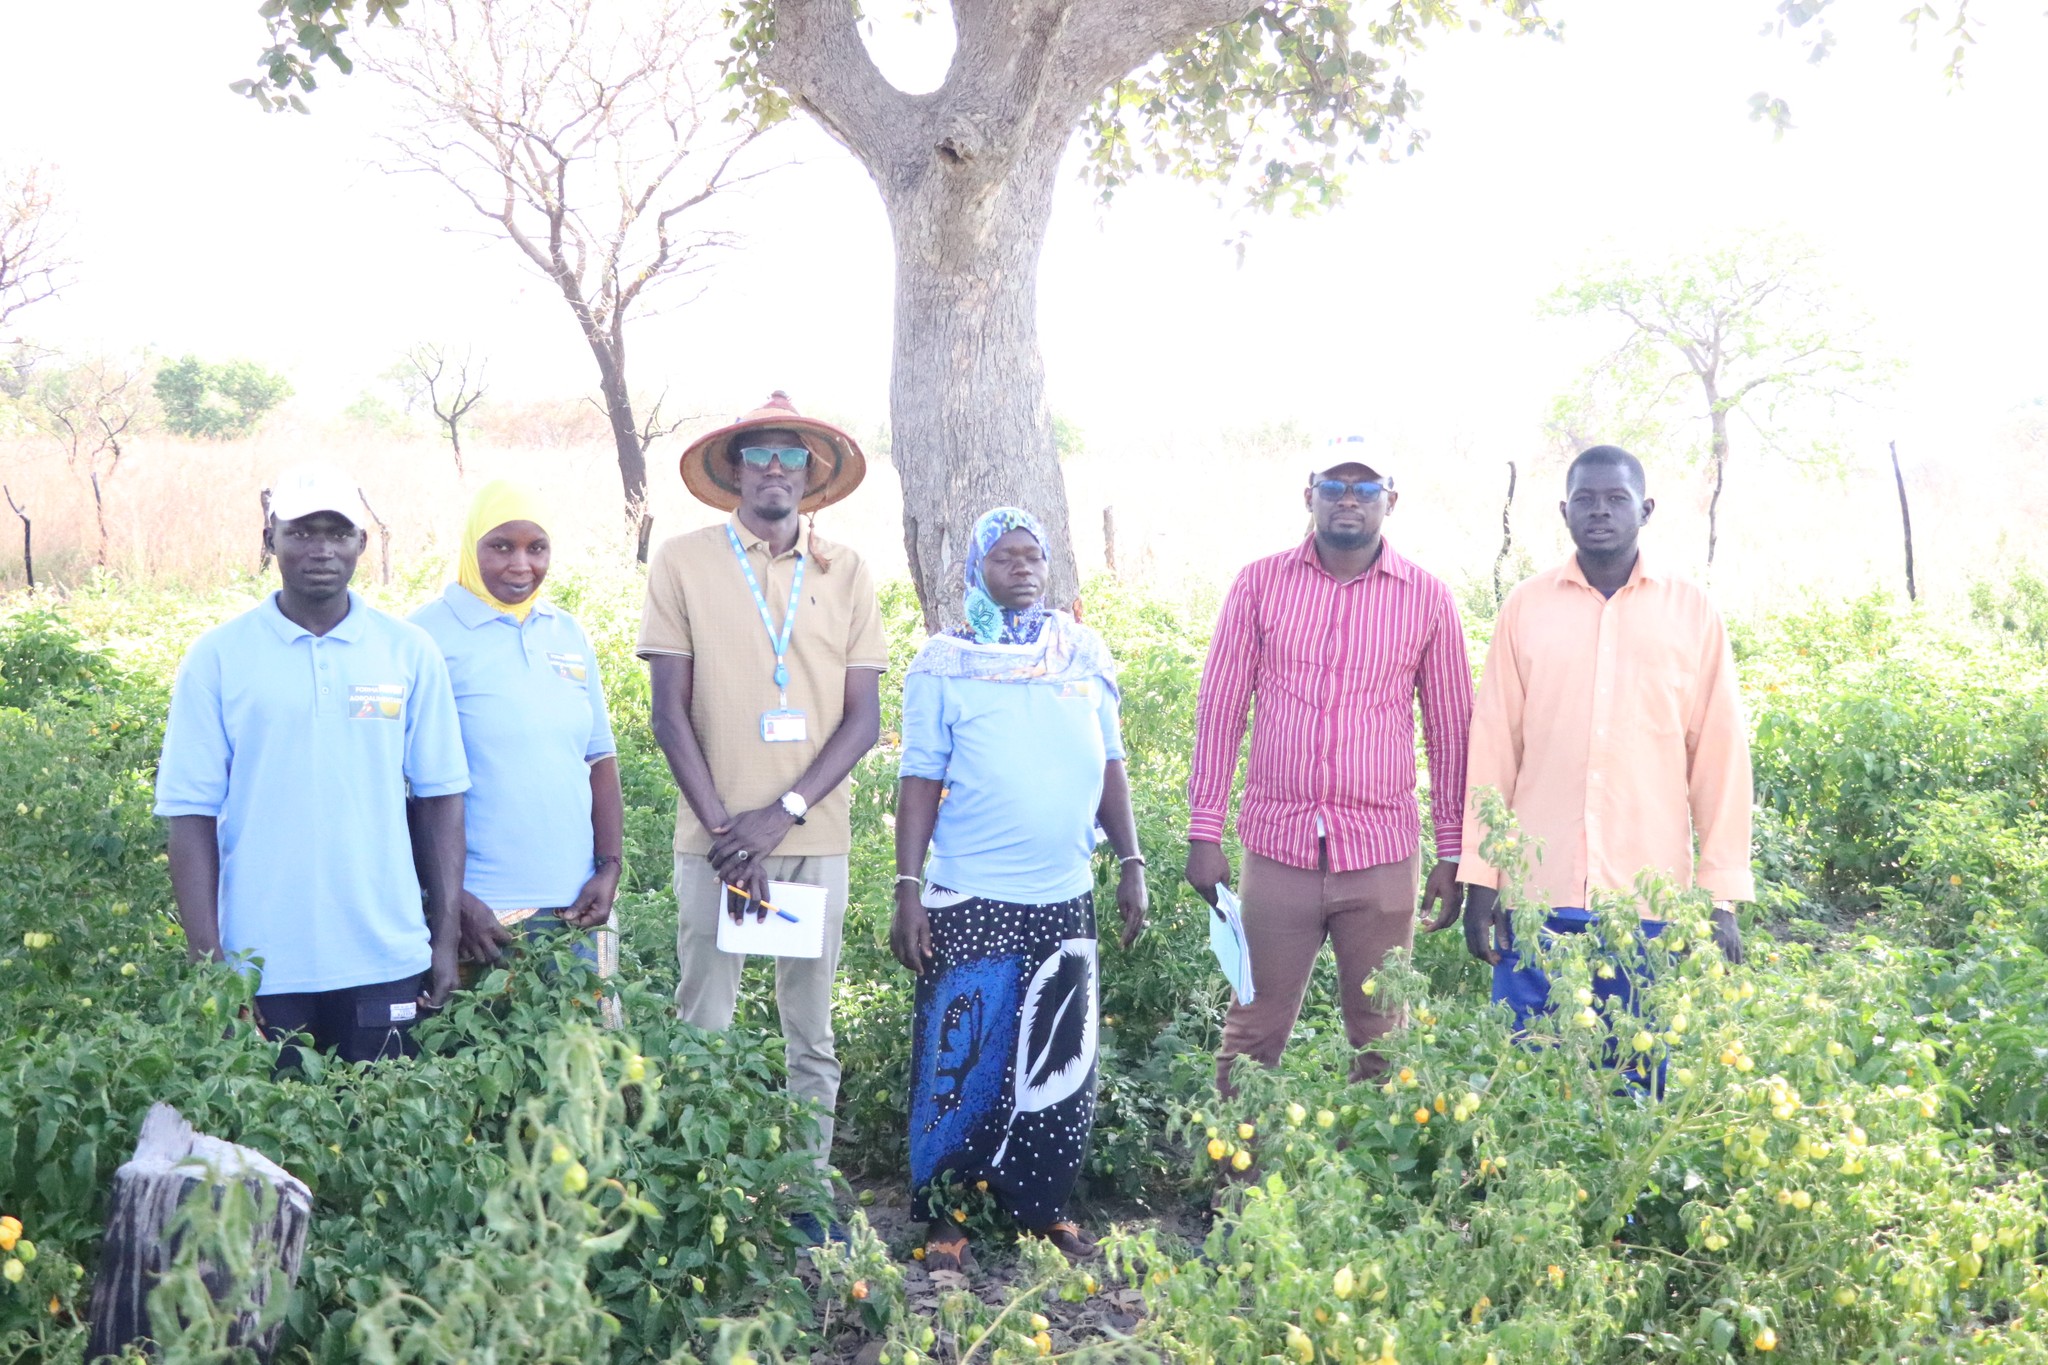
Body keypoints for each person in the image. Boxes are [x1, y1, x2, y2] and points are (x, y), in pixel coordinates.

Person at [637, 391, 886, 1240]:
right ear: (734, 470)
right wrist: (724, 830)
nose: (775, 468)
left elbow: (863, 721)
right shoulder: (683, 562)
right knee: (703, 1024)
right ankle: (697, 1199)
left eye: (791, 456)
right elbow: (668, 713)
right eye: (759, 454)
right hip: (714, 845)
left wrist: (780, 815)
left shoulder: (846, 572)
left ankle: (804, 1200)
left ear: (811, 475)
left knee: (809, 1034)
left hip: (811, 838)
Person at [890, 506, 1147, 1271]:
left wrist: (1131, 860)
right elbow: (919, 778)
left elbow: (1110, 764)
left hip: (1063, 894)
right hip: (972, 893)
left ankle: (1040, 1206)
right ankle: (947, 1216)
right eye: (1005, 556)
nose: (1024, 567)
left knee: (1060, 1057)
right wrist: (907, 887)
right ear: (976, 569)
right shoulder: (944, 662)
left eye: (1033, 555)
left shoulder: (1082, 654)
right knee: (961, 1054)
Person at [154, 463, 476, 1066]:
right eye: (301, 532)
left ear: (362, 542)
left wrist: (444, 940)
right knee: (267, 1124)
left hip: (386, 955)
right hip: (261, 965)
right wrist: (210, 964)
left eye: (337, 532)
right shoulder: (218, 656)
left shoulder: (408, 651)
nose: (321, 549)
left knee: (383, 1118)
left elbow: (441, 799)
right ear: (269, 538)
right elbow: (189, 814)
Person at [1451, 445, 1752, 1072]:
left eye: (1616, 499)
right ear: (1564, 511)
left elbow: (1720, 761)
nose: (1600, 511)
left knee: (1637, 1081)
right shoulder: (1525, 608)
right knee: (1529, 1078)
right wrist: (1482, 878)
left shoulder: (1692, 613)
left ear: (1646, 509)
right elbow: (1494, 749)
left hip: (1650, 902)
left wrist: (1720, 898)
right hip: (1537, 897)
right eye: (1585, 499)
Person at [1186, 448, 1473, 1093]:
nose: (1349, 498)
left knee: (1382, 1035)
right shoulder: (1259, 585)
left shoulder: (1427, 597)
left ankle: (1362, 1161)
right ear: (1308, 496)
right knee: (1252, 1029)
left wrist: (1453, 852)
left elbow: (1451, 730)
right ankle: (1237, 1161)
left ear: (1390, 501)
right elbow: (1221, 709)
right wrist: (1205, 831)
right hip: (1278, 849)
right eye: (1334, 486)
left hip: (1381, 852)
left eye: (1365, 488)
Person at [410, 479, 624, 1001]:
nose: (521, 564)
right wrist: (450, 901)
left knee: (588, 1051)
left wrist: (609, 867)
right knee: (481, 1048)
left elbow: (599, 759)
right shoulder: (423, 638)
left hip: (577, 907)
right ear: (471, 547)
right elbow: (403, 788)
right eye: (501, 546)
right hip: (480, 915)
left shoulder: (567, 633)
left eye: (537, 547)